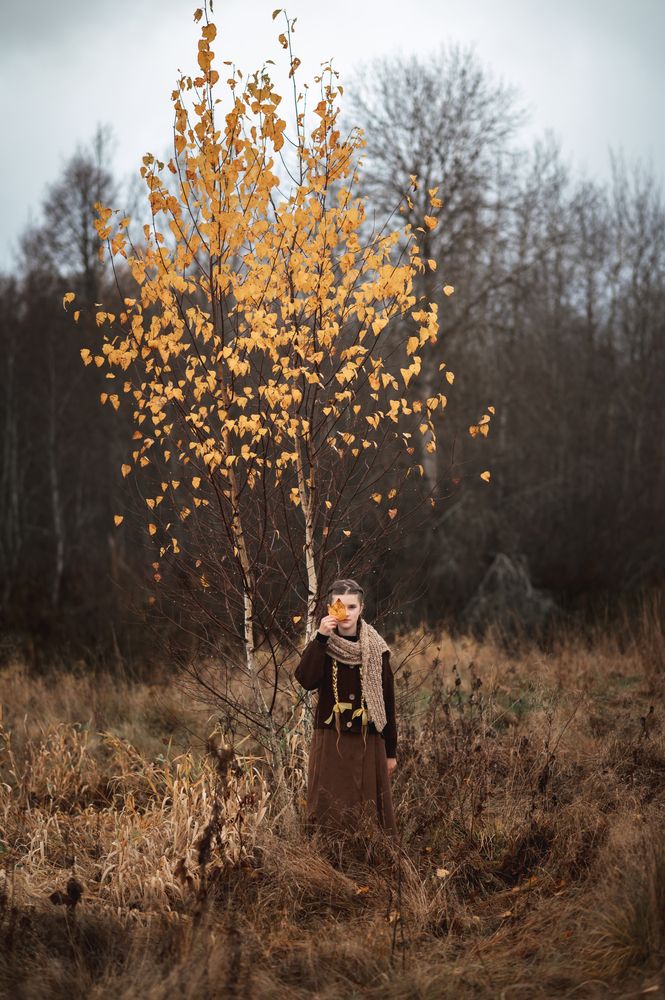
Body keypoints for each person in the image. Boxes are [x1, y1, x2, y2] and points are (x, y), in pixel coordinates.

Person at [294, 578, 398, 856]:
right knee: (328, 802)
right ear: (331, 608)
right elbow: (306, 679)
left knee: (367, 806)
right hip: (331, 737)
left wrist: (391, 751)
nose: (347, 613)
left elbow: (388, 702)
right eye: (341, 606)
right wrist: (320, 638)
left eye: (352, 606)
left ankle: (369, 859)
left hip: (369, 738)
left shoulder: (377, 649)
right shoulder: (323, 644)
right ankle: (327, 859)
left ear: (361, 608)